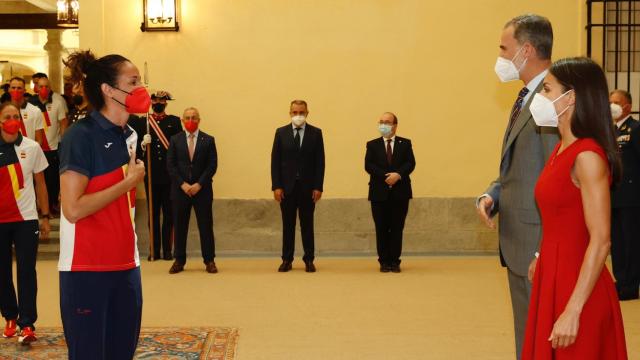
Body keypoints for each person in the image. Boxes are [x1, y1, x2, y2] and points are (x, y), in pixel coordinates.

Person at [522, 57, 627, 359]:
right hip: (552, 275)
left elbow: (601, 238)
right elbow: (562, 214)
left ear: (572, 97)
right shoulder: (560, 148)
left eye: (547, 89)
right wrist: (542, 255)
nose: (540, 97)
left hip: (579, 287)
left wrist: (573, 309)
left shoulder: (587, 157)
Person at [475, 14, 558, 359]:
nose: (500, 56)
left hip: (537, 240)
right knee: (527, 329)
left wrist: (545, 248)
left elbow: (558, 178)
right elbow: (520, 167)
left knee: (543, 332)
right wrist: (493, 194)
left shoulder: (552, 97)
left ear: (526, 50)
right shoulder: (527, 95)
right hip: (519, 237)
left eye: (504, 48)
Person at [58, 50, 147, 359]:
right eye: (133, 82)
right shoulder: (79, 137)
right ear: (109, 90)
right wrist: (126, 183)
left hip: (126, 266)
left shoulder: (132, 134)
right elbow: (73, 209)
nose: (141, 89)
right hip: (86, 268)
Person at [0, 102, 49, 344]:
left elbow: (40, 183)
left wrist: (45, 215)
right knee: (2, 272)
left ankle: (27, 323)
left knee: (27, 271)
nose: (12, 119)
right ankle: (10, 316)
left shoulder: (32, 147)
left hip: (26, 219)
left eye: (15, 116)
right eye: (7, 116)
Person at [270, 99, 325, 272]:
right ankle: (287, 259)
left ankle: (309, 259)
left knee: (307, 225)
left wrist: (318, 186)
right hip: (286, 188)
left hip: (308, 188)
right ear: (290, 113)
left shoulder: (316, 133)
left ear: (307, 113)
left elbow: (320, 162)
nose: (298, 115)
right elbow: (275, 161)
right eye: (295, 112)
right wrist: (276, 186)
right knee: (288, 225)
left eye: (301, 112)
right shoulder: (281, 133)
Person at [129, 91, 181, 261]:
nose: (158, 102)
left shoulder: (174, 121)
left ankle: (167, 250)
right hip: (150, 174)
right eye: (155, 100)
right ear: (151, 102)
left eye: (161, 100)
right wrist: (143, 145)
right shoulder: (143, 122)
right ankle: (154, 250)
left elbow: (177, 148)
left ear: (166, 102)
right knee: (153, 214)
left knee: (168, 214)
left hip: (169, 175)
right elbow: (135, 149)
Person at [166, 107, 218, 274]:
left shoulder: (208, 140)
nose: (190, 120)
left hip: (202, 191)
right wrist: (183, 184)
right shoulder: (175, 140)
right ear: (182, 120)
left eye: (194, 117)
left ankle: (209, 260)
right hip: (180, 191)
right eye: (187, 117)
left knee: (205, 226)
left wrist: (198, 184)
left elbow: (212, 165)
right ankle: (179, 261)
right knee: (180, 227)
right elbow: (171, 166)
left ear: (199, 120)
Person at [365, 112, 415, 273]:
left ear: (394, 125)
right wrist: (385, 176)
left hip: (400, 193)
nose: (384, 125)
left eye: (387, 122)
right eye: (381, 122)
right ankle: (384, 261)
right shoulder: (372, 144)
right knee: (381, 227)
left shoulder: (405, 143)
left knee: (396, 228)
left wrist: (398, 175)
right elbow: (369, 165)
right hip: (378, 193)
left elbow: (410, 163)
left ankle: (395, 261)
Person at [609, 89, 640, 300]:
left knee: (631, 242)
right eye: (610, 102)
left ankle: (630, 285)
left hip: (632, 197)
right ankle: (620, 281)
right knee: (617, 242)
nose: (612, 106)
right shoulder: (611, 131)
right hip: (613, 197)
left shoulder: (636, 129)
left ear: (627, 106)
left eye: (616, 102)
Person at [28, 76, 69, 215]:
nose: (44, 89)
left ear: (50, 88)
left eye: (47, 86)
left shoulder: (57, 102)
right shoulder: (31, 104)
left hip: (52, 148)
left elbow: (63, 124)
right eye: (41, 86)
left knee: (52, 180)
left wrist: (63, 144)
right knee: (34, 181)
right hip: (35, 148)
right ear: (36, 88)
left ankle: (50, 206)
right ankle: (36, 206)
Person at [7, 77, 45, 145]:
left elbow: (39, 139)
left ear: (24, 90)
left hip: (29, 151)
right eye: (13, 88)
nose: (16, 90)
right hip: (9, 151)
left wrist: (32, 152)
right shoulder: (3, 111)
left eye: (19, 88)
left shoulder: (35, 111)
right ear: (9, 89)